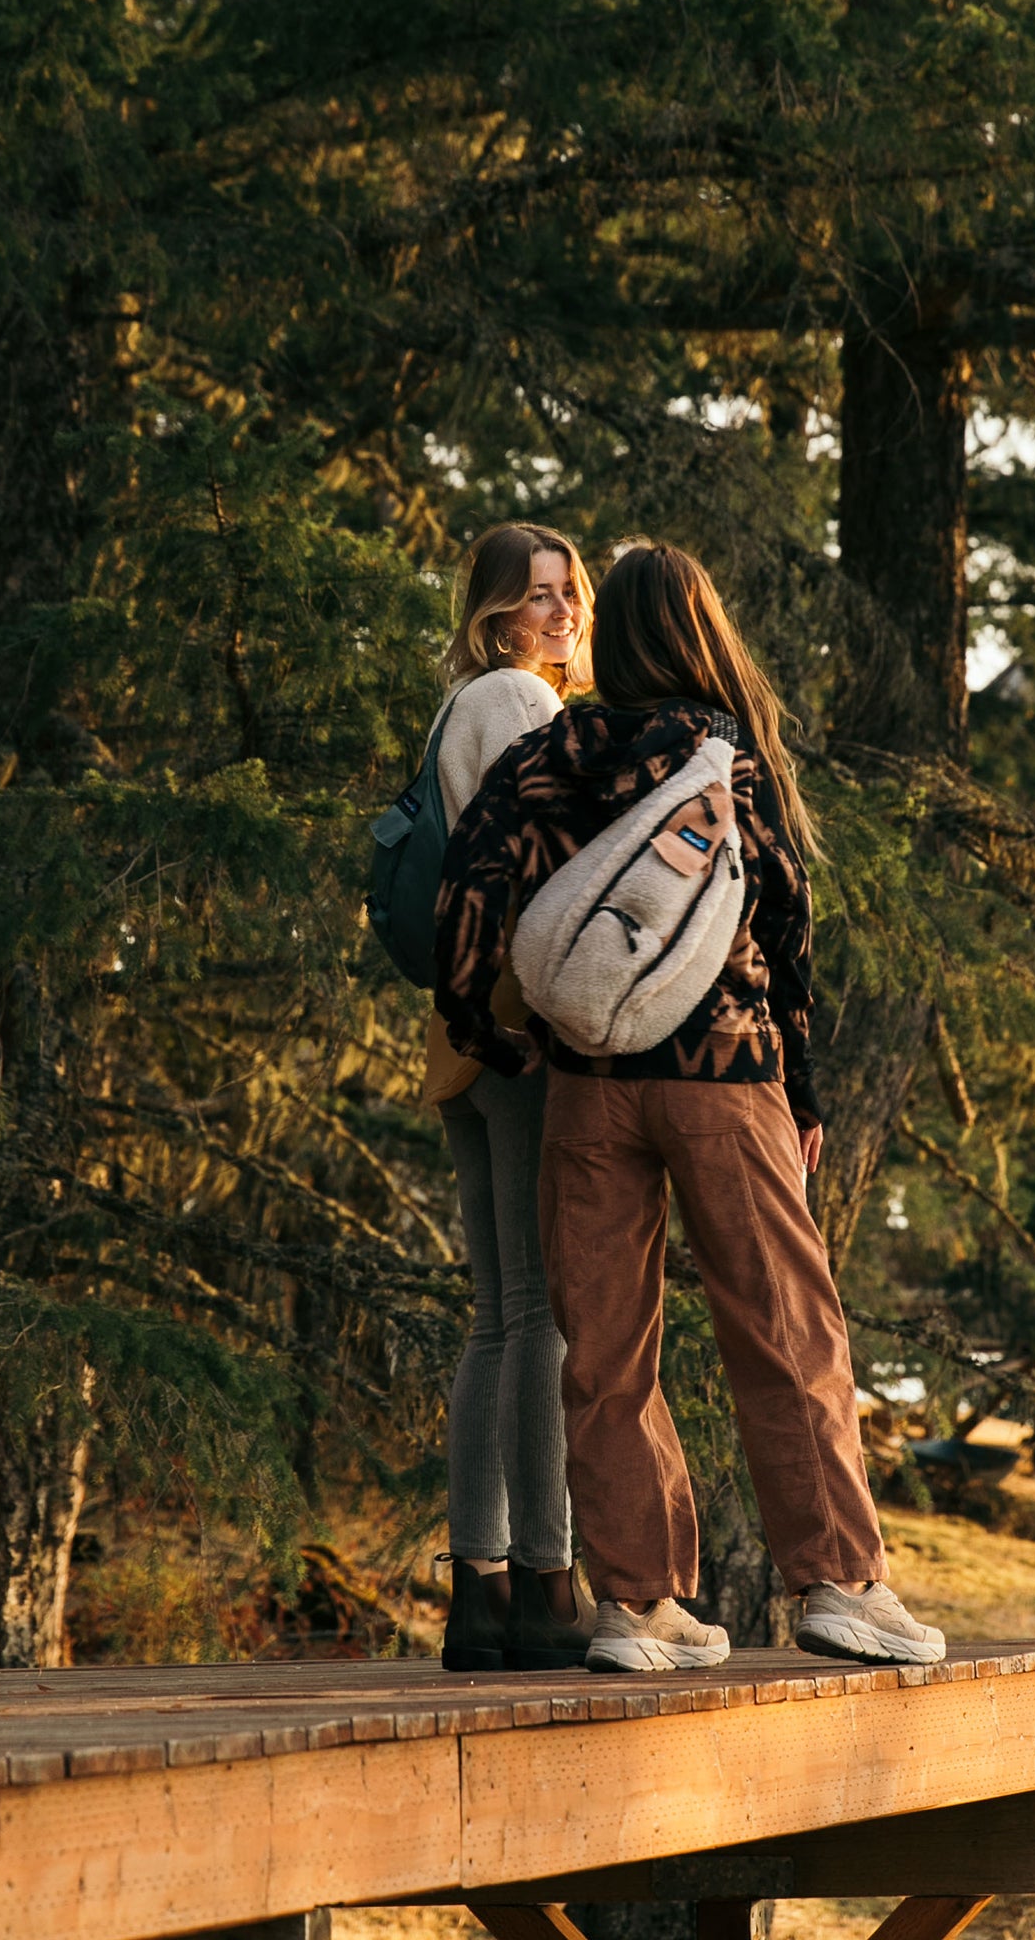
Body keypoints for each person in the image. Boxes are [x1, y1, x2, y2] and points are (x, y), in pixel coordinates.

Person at [436, 541, 945, 1674]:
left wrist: (484, 1029)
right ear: (702, 629)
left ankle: (636, 1604)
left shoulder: (555, 744)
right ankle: (840, 1584)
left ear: (608, 634)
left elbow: (469, 881)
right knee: (785, 1330)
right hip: (722, 1077)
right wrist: (798, 1087)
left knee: (605, 1355)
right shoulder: (726, 753)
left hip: (586, 1087)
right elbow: (783, 927)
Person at [426, 522, 598, 1671]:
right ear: (493, 613)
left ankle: (479, 1588)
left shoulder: (457, 707)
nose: (560, 614)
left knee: (497, 1315)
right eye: (535, 598)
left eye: (570, 594)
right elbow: (550, 864)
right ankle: (546, 1576)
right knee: (537, 1313)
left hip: (459, 1033)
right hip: (522, 1027)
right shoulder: (518, 705)